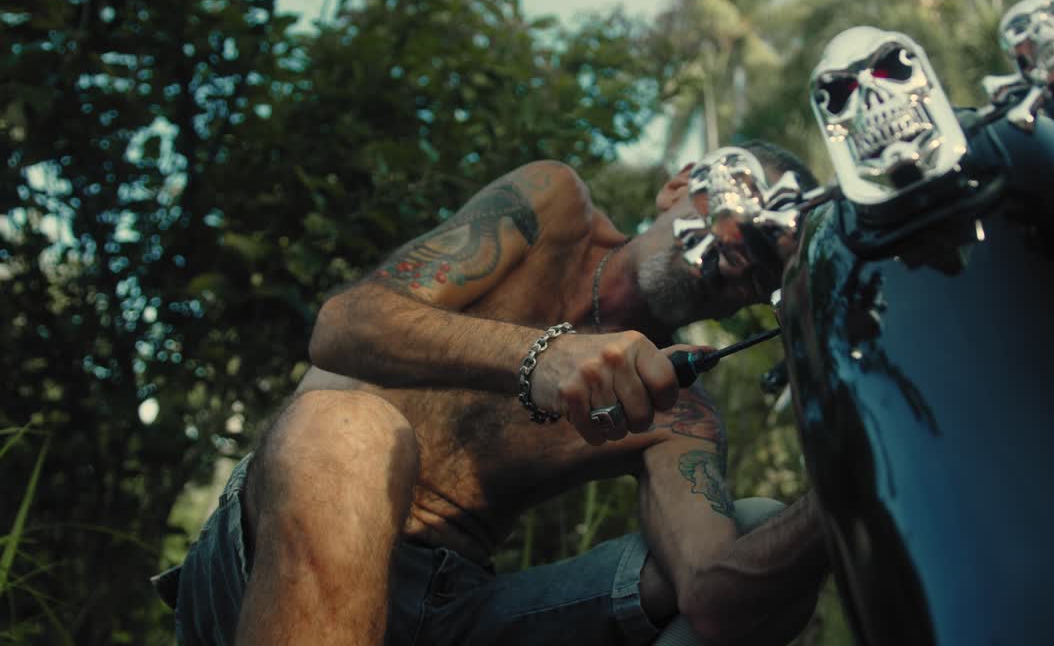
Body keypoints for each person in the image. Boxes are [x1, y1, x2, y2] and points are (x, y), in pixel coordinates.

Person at [155, 140, 832, 645]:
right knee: (350, 430)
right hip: (276, 549)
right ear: (679, 184)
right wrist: (539, 355)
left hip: (447, 610)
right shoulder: (552, 208)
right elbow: (342, 326)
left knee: (762, 523)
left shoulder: (672, 406)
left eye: (772, 263)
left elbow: (714, 603)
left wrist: (854, 489)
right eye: (745, 214)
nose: (745, 257)